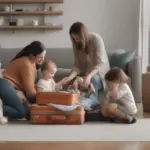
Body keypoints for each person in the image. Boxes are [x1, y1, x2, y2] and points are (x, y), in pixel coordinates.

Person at [62, 22, 110, 110]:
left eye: (78, 38)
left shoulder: (96, 39)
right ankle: (72, 104)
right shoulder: (76, 45)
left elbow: (100, 63)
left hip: (100, 73)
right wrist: (69, 78)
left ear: (83, 35)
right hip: (86, 73)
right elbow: (77, 66)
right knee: (71, 81)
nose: (76, 41)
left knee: (93, 80)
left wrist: (89, 75)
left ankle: (92, 102)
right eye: (74, 39)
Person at [0, 41, 46, 120]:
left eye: (44, 56)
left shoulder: (32, 62)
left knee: (30, 114)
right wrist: (45, 96)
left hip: (12, 88)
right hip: (4, 84)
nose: (43, 59)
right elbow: (31, 93)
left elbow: (28, 87)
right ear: (32, 55)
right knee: (21, 112)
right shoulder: (26, 64)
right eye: (40, 57)